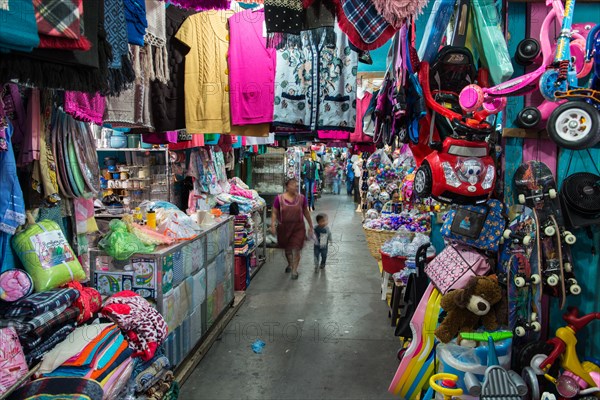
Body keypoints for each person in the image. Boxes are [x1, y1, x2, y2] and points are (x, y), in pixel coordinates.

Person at [271, 179, 313, 280]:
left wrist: (311, 225)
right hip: (284, 228)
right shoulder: (279, 198)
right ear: (287, 186)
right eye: (292, 185)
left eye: (296, 185)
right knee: (288, 249)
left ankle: (294, 270)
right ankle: (290, 264)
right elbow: (274, 212)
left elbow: (306, 212)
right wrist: (272, 224)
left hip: (298, 228)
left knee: (296, 248)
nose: (295, 187)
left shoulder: (302, 198)